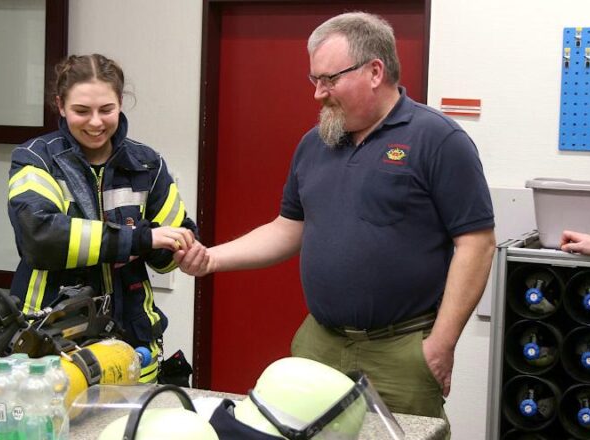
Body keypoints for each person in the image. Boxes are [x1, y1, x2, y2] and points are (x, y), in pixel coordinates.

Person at [175, 11, 496, 432]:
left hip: (401, 349)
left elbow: (477, 243)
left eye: (329, 80)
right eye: (314, 81)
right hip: (319, 343)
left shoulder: (437, 139)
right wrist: (212, 259)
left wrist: (441, 343)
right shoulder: (316, 143)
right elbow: (288, 228)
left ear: (375, 71)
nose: (318, 94)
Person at [7, 54, 197, 383]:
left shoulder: (147, 164)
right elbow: (40, 239)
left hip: (133, 341)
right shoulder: (36, 159)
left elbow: (170, 250)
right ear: (60, 105)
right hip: (50, 341)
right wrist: (139, 239)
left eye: (106, 109)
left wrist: (180, 248)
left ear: (120, 103)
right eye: (82, 111)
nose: (96, 122)